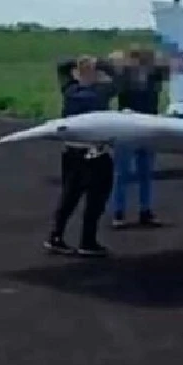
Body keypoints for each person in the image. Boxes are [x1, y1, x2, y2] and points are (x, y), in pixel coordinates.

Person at [44, 54, 119, 257]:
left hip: (71, 153)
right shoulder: (101, 93)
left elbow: (62, 66)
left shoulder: (69, 90)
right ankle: (87, 241)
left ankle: (56, 236)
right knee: (96, 200)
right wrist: (100, 62)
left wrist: (79, 64)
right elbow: (117, 77)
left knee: (68, 197)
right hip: (95, 155)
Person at [109, 45, 170, 228]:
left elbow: (171, 64)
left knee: (142, 173)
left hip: (145, 128)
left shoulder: (153, 76)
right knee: (124, 173)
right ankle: (120, 212)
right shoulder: (124, 77)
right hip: (129, 128)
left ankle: (142, 211)